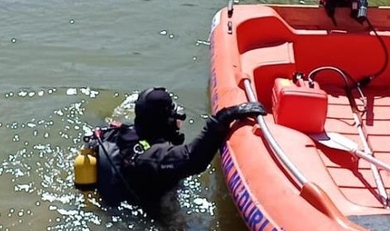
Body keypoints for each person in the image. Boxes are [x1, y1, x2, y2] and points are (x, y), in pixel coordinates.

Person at [85, 87, 265, 214]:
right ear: (163, 120)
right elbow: (193, 159)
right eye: (173, 117)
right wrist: (222, 119)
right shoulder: (154, 157)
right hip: (140, 223)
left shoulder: (122, 133)